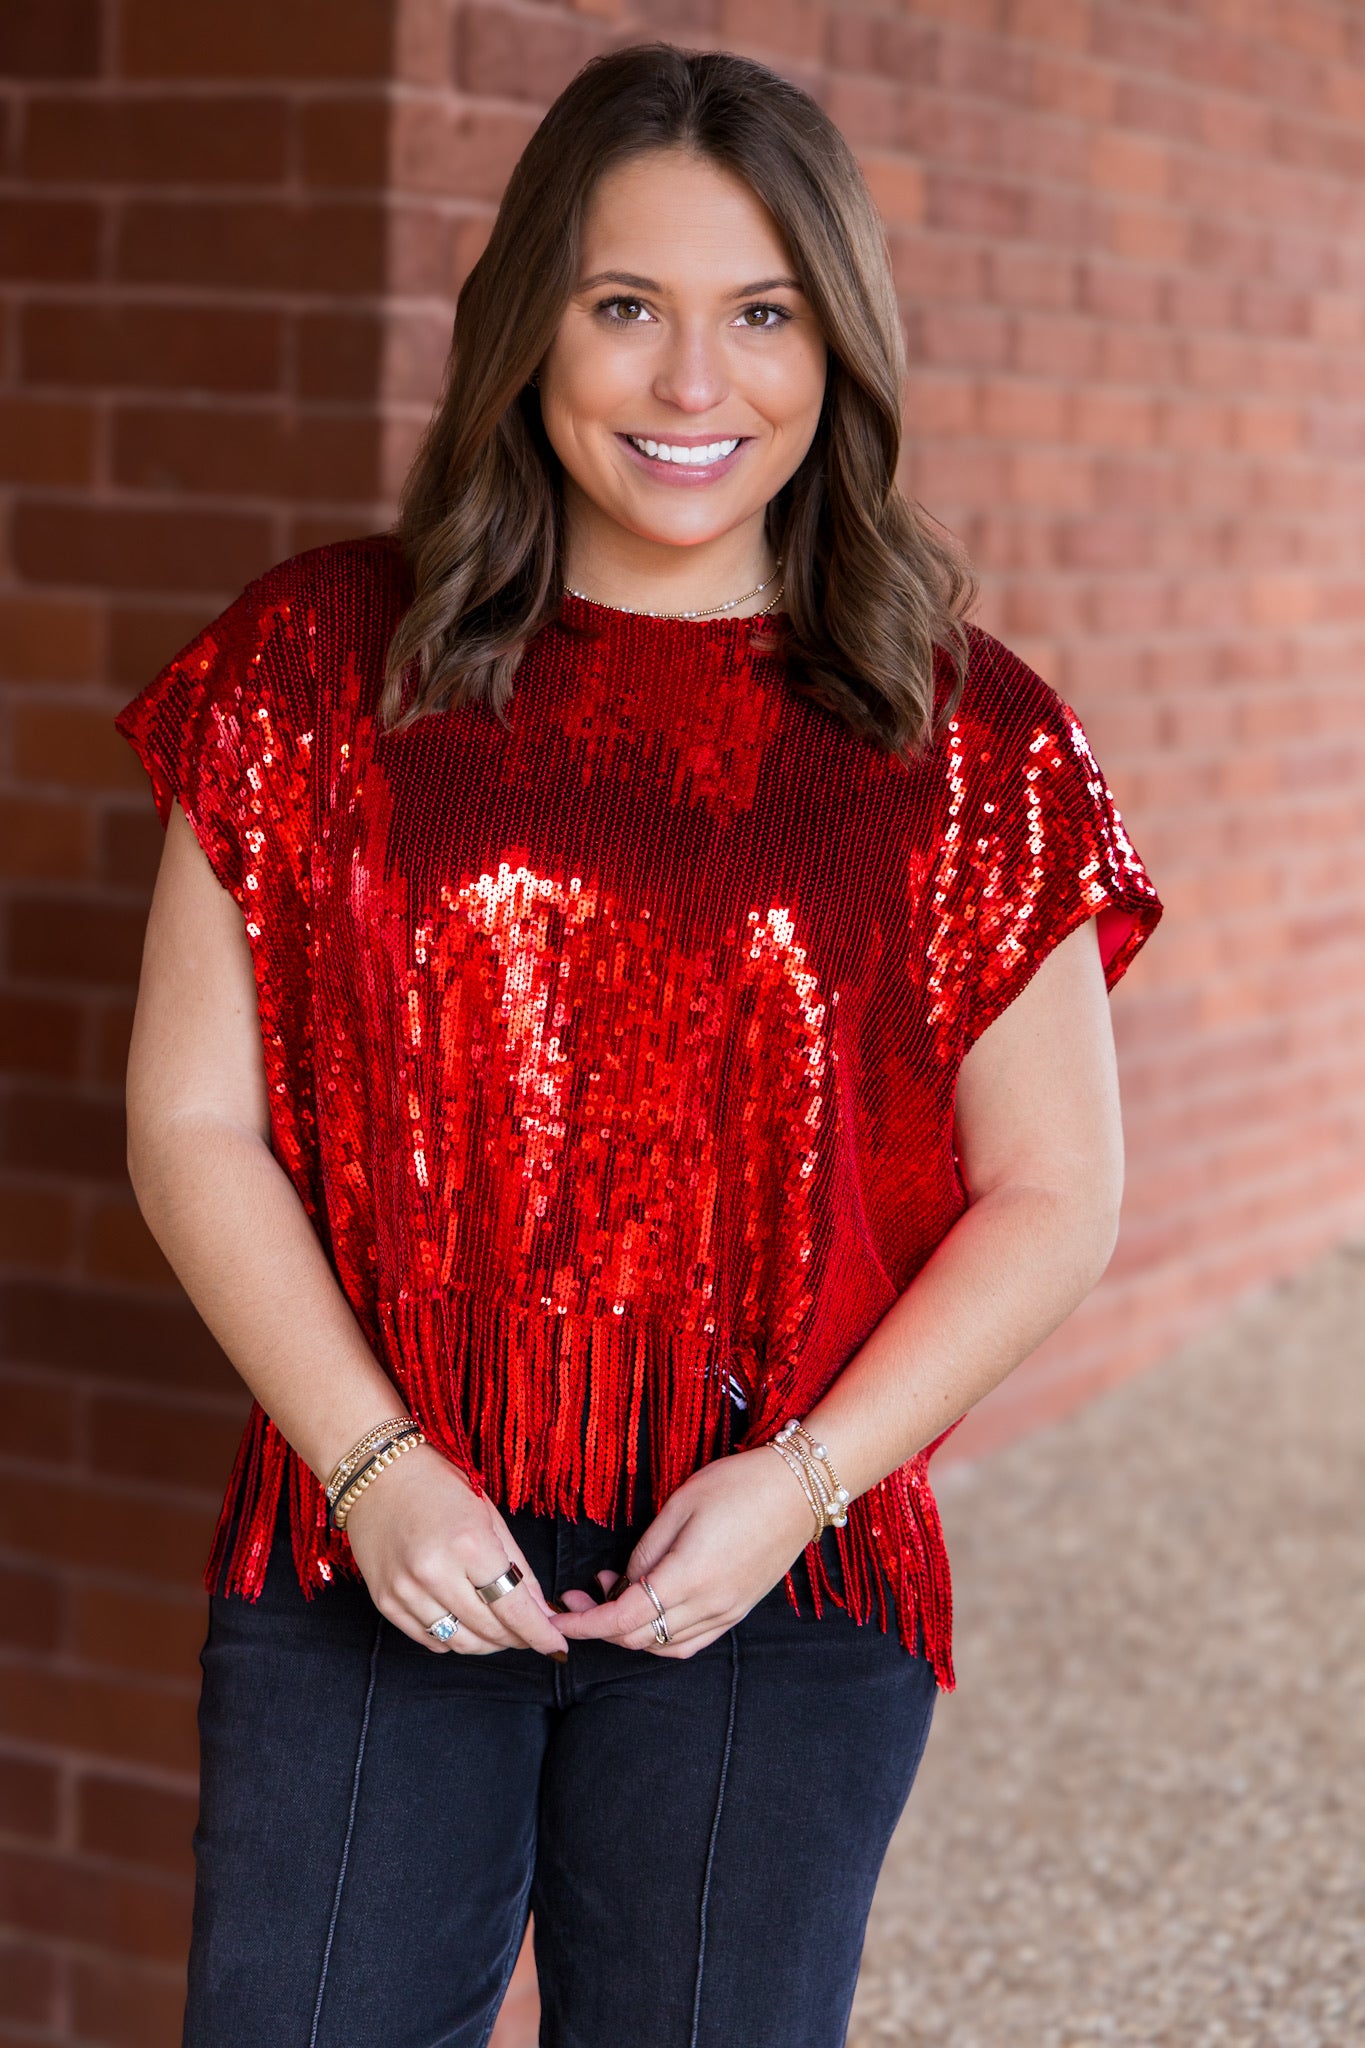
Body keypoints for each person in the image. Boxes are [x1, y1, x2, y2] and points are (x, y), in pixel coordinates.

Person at [115, 41, 1163, 2048]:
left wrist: (800, 1483)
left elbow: (1054, 1191)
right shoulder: (314, 667)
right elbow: (188, 1116)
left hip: (780, 1569)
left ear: (835, 345)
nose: (696, 386)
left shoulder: (965, 738)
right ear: (529, 326)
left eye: (760, 314)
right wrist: (375, 1465)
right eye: (627, 308)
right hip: (377, 1533)